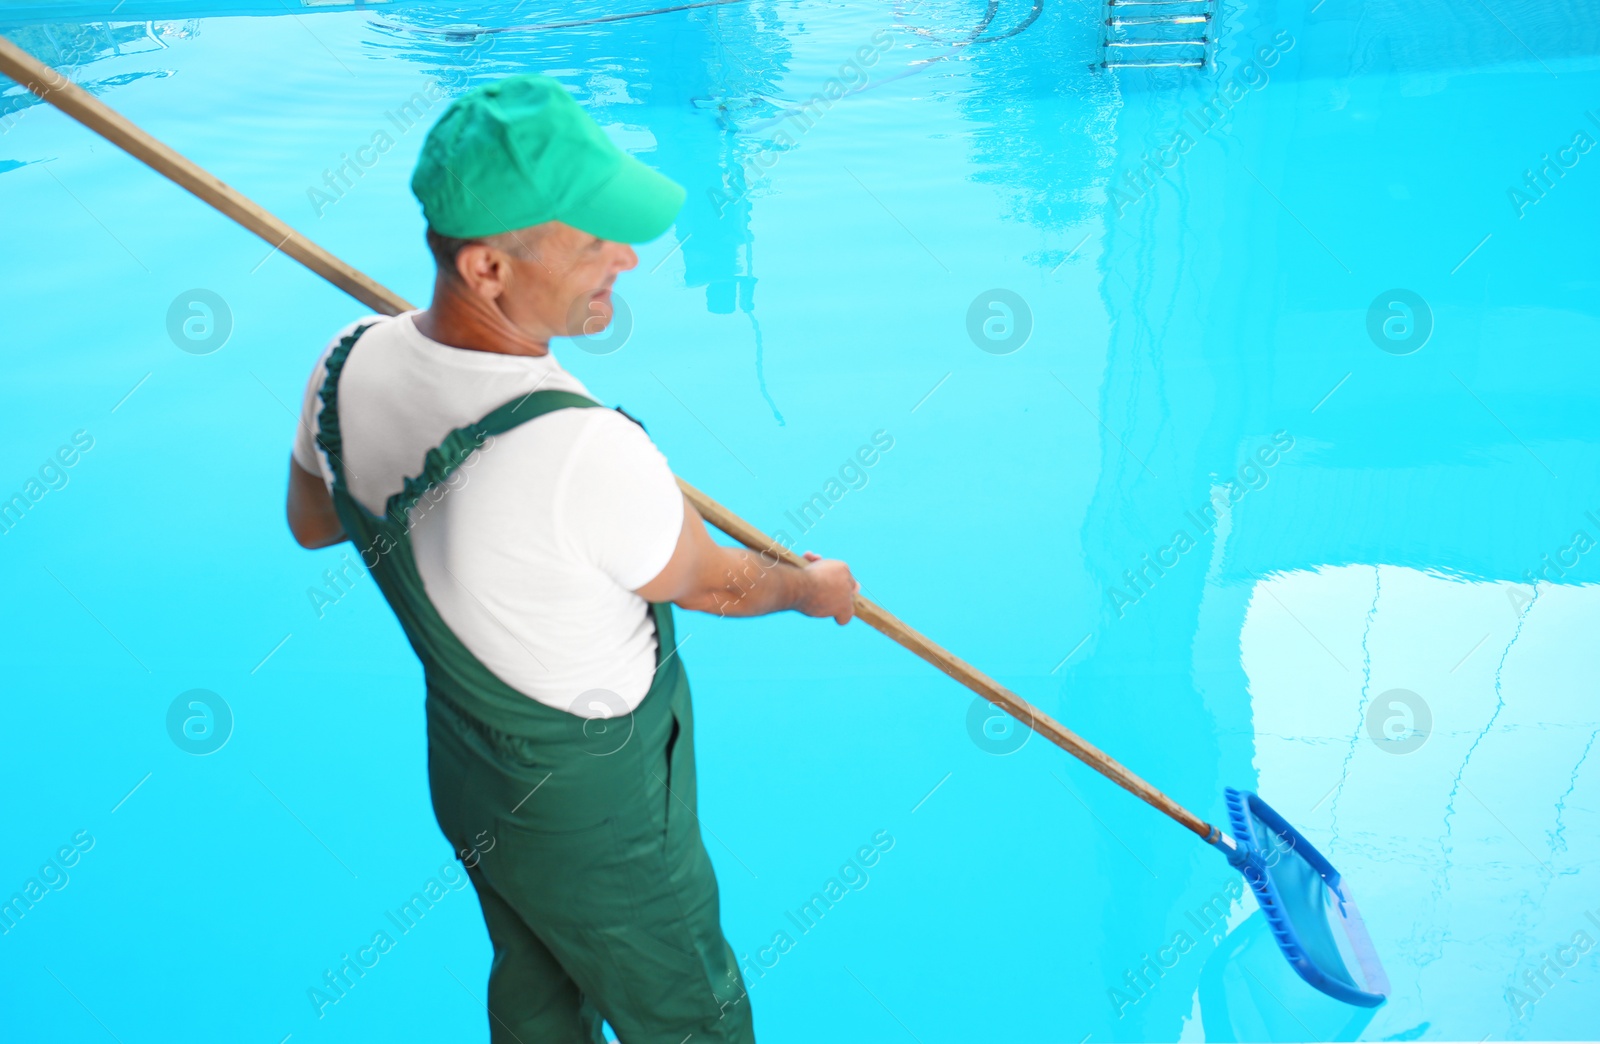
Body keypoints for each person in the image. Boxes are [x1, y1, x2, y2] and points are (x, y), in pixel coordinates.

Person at [283, 74, 858, 1044]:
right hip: (604, 823)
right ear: (487, 271)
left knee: (538, 987)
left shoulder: (345, 363)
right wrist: (811, 588)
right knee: (691, 1017)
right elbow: (716, 583)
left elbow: (316, 521)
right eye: (592, 241)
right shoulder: (584, 451)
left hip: (474, 777)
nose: (626, 259)